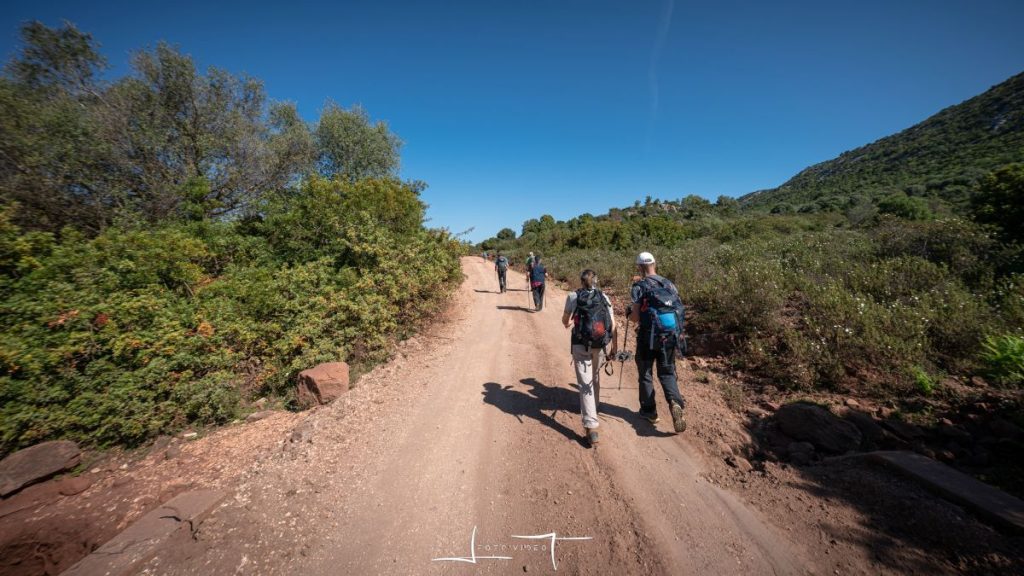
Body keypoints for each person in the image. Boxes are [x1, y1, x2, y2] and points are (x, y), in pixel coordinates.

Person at [627, 251, 687, 433]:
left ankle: (649, 411)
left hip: (647, 336)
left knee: (645, 373)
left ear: (639, 266)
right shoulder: (669, 284)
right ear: (655, 263)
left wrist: (630, 314)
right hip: (669, 336)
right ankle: (675, 402)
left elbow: (636, 318)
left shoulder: (639, 286)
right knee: (667, 373)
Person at [563, 269, 615, 446]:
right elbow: (613, 325)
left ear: (581, 280)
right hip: (600, 344)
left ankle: (591, 426)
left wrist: (569, 322)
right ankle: (596, 405)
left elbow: (565, 320)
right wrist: (613, 348)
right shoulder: (604, 297)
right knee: (595, 376)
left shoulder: (573, 296)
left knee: (585, 382)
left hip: (580, 343)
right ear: (596, 281)